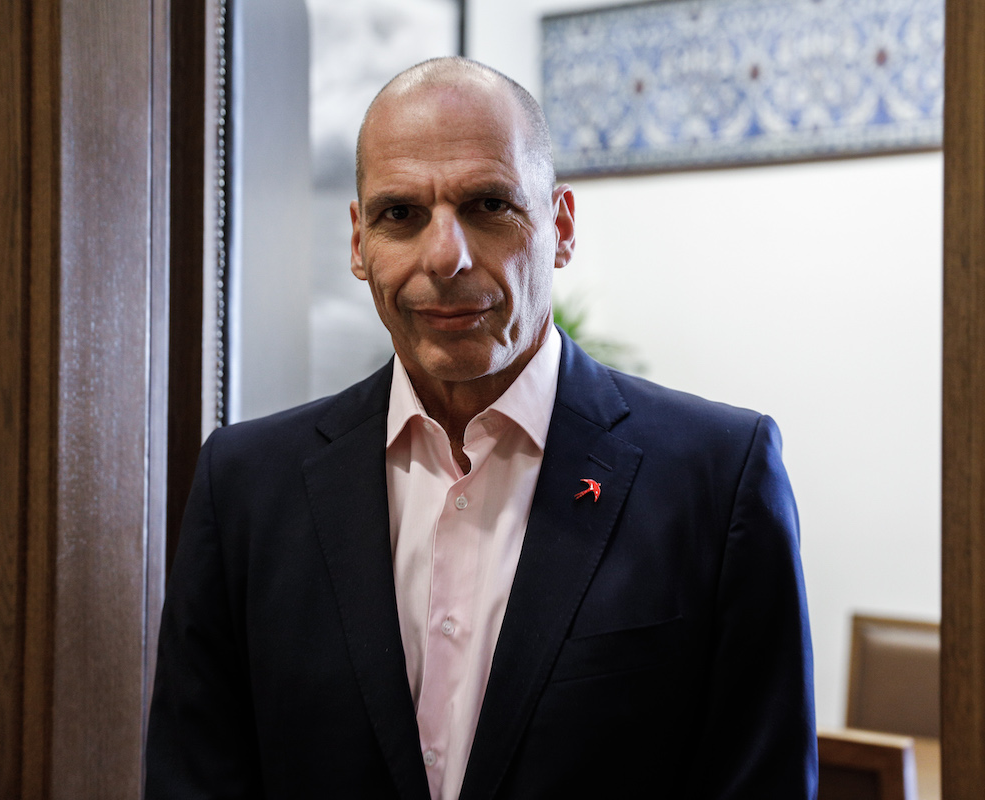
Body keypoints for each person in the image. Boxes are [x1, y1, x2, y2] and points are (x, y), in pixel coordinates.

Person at [146, 56, 817, 799]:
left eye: (489, 205)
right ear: (359, 243)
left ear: (560, 227)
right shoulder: (246, 487)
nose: (446, 257)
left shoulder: (717, 479)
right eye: (401, 215)